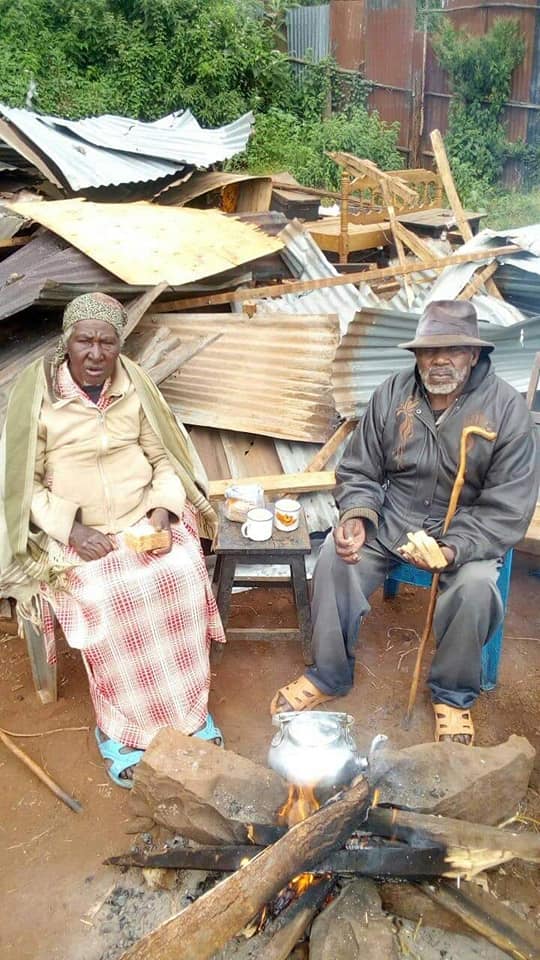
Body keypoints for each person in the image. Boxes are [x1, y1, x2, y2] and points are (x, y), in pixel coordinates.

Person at [271, 301, 538, 744]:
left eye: (453, 350)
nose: (439, 361)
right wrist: (358, 515)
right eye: (429, 351)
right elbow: (359, 469)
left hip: (467, 531)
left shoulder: (506, 410)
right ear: (417, 355)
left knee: (474, 588)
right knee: (335, 560)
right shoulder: (392, 394)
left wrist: (452, 548)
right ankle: (328, 675)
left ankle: (452, 696)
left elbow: (508, 506)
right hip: (394, 518)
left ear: (473, 354)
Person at [0, 293, 225, 787]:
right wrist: (73, 530)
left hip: (141, 519)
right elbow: (23, 486)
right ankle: (123, 729)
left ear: (120, 345)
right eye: (86, 341)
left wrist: (162, 512)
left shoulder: (134, 386)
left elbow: (164, 458)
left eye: (108, 342)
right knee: (105, 598)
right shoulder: (39, 397)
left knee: (182, 577)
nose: (96, 353)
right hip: (78, 535)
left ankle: (188, 712)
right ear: (67, 343)